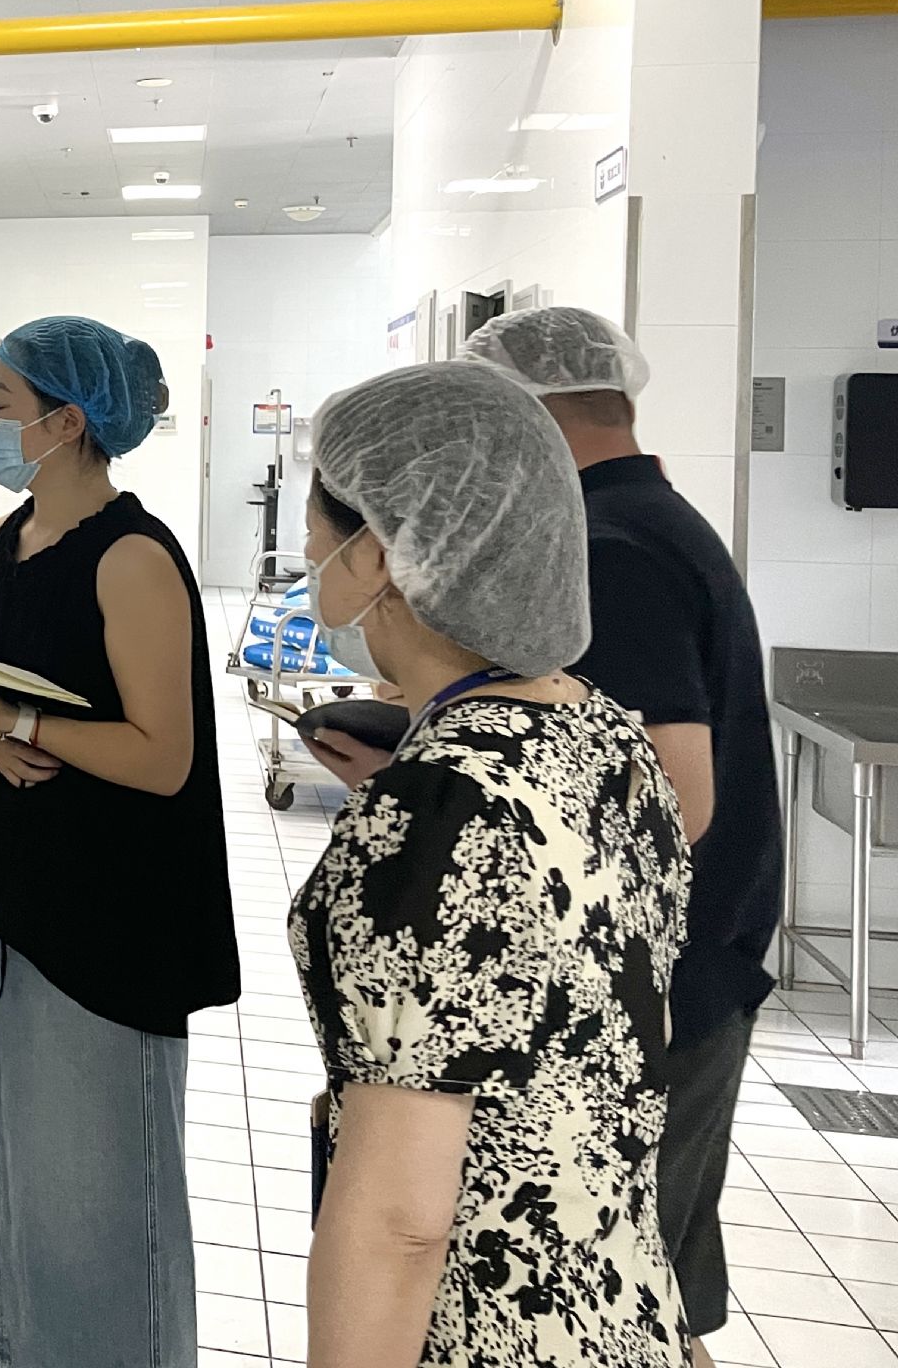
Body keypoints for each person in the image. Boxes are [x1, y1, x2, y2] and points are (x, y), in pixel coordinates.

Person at [289, 361, 691, 1368]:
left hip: (487, 1330)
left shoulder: (434, 813)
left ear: (377, 556)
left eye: (317, 534)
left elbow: (401, 1226)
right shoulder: (607, 735)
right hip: (620, 1307)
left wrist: (419, 819)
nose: (307, 559)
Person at [0, 315, 238, 1368]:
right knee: (5, 1156)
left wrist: (23, 726)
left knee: (98, 1189)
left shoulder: (134, 558)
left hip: (107, 918)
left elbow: (164, 758)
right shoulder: (11, 538)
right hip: (6, 887)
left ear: (67, 420)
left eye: (2, 402)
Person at [456, 306, 779, 1367]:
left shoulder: (613, 549)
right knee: (651, 1295)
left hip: (654, 994)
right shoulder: (651, 519)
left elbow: (670, 799)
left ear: (536, 420)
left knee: (613, 1301)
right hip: (688, 972)